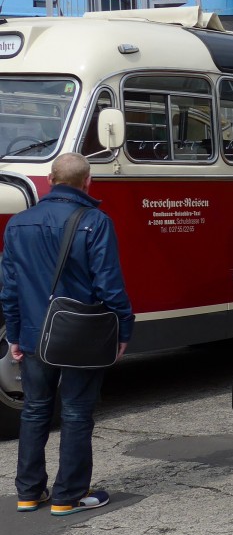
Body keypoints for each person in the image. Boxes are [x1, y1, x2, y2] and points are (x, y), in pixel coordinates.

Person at [3, 152, 134, 516]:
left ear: (50, 179)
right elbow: (109, 285)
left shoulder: (18, 223)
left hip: (33, 334)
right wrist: (123, 328)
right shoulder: (96, 222)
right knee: (76, 413)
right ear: (87, 181)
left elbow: (9, 288)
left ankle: (29, 493)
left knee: (34, 411)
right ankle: (68, 496)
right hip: (81, 336)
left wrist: (14, 333)